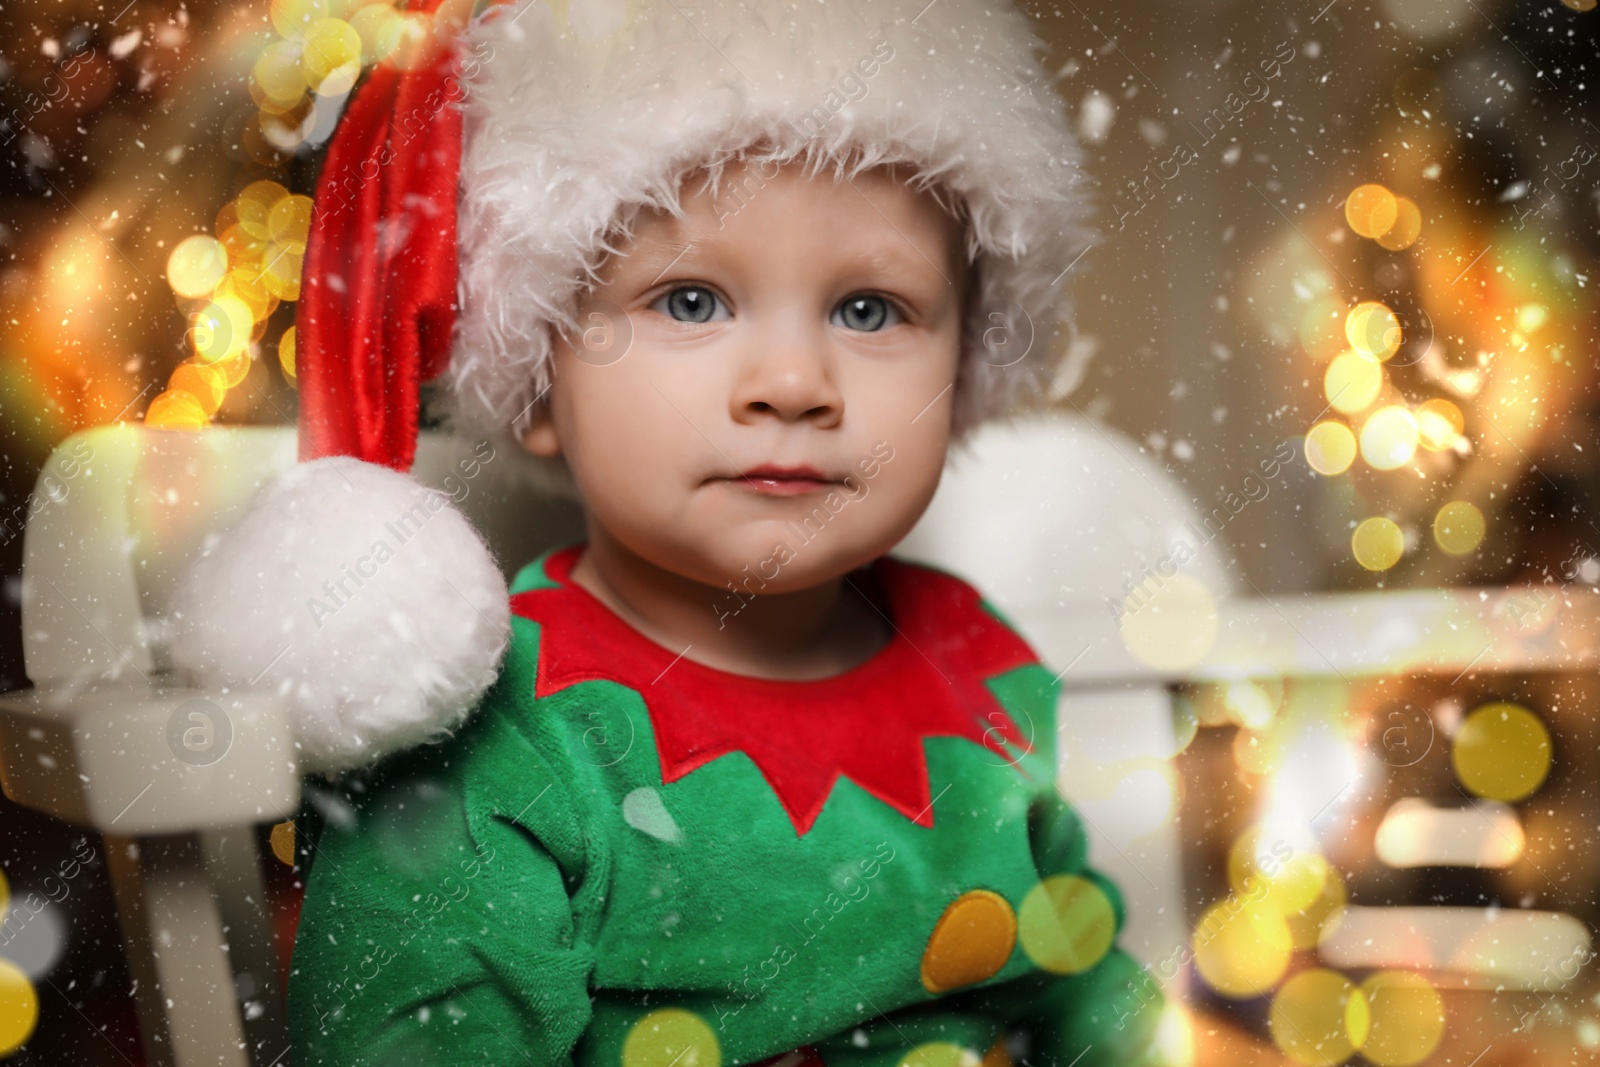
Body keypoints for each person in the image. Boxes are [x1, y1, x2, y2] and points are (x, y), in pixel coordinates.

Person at [170, 1, 1166, 1063]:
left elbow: (1083, 971)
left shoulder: (980, 662)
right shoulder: (502, 736)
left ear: (962, 371)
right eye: (689, 300)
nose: (791, 383)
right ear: (540, 381)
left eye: (870, 310)